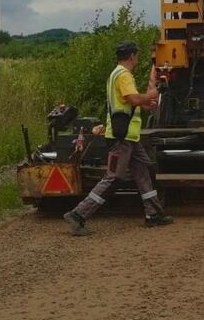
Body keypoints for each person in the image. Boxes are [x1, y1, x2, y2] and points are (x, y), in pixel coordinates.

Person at [64, 41, 174, 236]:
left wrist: (144, 104)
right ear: (132, 56)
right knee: (113, 177)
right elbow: (131, 98)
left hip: (128, 137)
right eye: (137, 55)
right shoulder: (124, 75)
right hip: (121, 138)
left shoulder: (116, 74)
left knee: (144, 172)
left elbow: (127, 103)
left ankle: (153, 214)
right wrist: (151, 95)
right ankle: (78, 214)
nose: (137, 59)